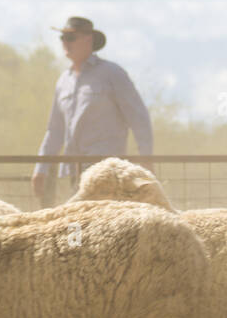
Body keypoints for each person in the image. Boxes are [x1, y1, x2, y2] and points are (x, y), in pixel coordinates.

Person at [31, 17, 153, 204]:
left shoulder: (112, 73)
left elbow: (138, 117)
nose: (64, 42)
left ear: (88, 40)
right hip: (75, 171)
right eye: (62, 38)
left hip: (107, 171)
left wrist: (146, 159)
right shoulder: (64, 80)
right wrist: (41, 168)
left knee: (105, 225)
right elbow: (55, 130)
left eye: (70, 38)